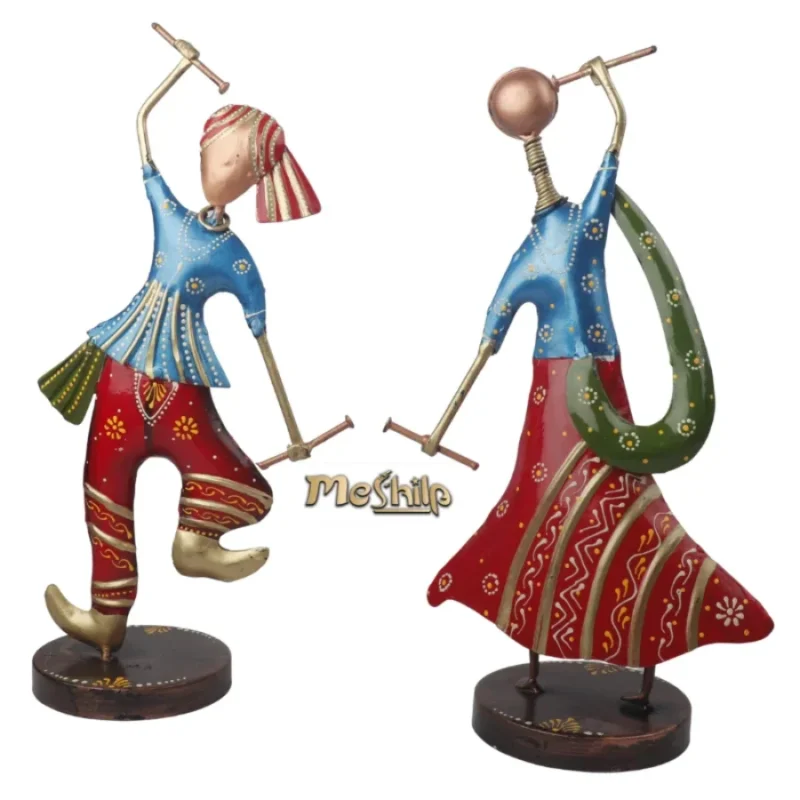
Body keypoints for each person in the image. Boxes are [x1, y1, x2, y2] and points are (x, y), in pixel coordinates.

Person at [424, 58, 773, 707]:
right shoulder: (580, 227)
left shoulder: (537, 248)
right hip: (587, 379)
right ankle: (634, 619)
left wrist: (445, 417)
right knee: (591, 492)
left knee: (553, 492)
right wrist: (608, 92)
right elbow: (613, 152)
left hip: (564, 384)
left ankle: (548, 625)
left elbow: (490, 334)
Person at [38, 48, 320, 660]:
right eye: (213, 155)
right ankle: (106, 618)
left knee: (233, 475)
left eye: (236, 163)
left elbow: (261, 333)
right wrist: (175, 73)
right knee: (104, 489)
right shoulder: (169, 214)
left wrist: (293, 428)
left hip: (179, 387)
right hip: (120, 371)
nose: (219, 168)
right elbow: (141, 128)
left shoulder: (234, 256)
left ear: (254, 181)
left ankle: (195, 542)